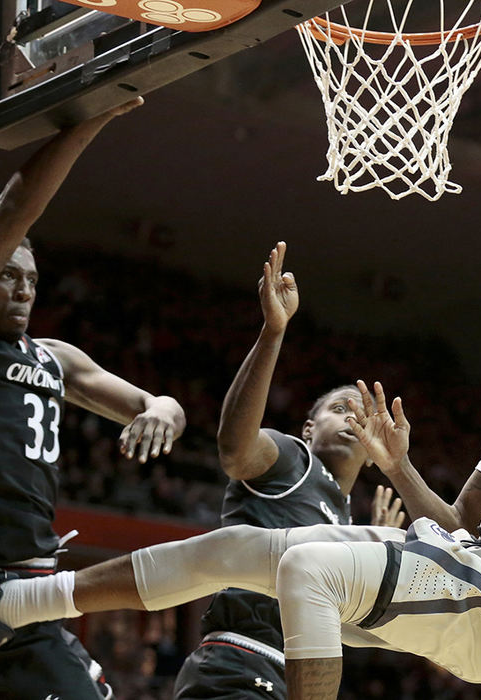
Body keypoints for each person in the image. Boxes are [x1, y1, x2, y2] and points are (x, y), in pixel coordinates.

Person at [0, 105, 481, 698]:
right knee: (237, 553)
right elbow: (460, 523)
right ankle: (9, 606)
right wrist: (399, 467)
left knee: (311, 572)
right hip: (475, 569)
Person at [0, 98, 186, 699]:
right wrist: (89, 121)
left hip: (32, 593)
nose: (24, 289)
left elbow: (155, 403)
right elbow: (13, 207)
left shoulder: (55, 357)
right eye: (8, 274)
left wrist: (162, 409)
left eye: (32, 279)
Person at [173, 242, 404, 699]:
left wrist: (374, 562)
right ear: (308, 427)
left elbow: (353, 628)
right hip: (238, 660)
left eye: (362, 414)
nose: (351, 419)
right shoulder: (292, 459)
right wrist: (272, 333)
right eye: (340, 409)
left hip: (292, 677)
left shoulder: (346, 519)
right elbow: (235, 451)